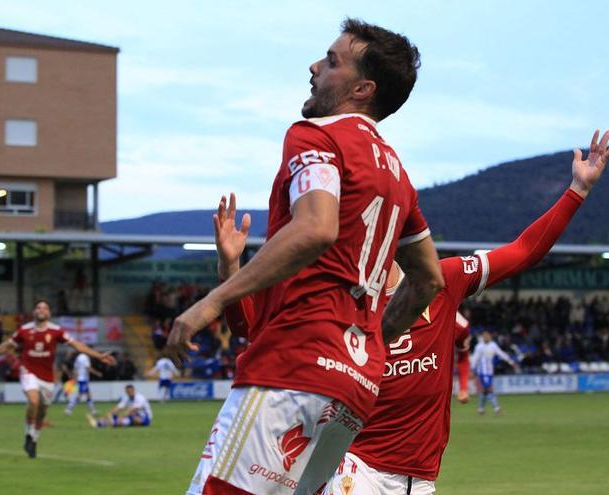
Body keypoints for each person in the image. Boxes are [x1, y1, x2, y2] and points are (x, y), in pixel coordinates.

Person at [179, 19, 445, 495]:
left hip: (294, 366)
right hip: (353, 388)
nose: (315, 66)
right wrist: (369, 344)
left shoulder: (316, 135)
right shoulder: (399, 176)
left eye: (331, 61)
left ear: (362, 88)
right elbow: (428, 280)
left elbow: (316, 227)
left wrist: (212, 301)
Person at [278, 130, 605, 494]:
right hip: (357, 471)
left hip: (420, 479)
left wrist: (578, 190)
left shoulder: (442, 280)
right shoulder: (342, 303)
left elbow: (524, 250)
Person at [0, 299, 116, 459]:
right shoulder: (24, 330)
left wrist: (99, 355)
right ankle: (28, 434)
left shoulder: (56, 331)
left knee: (42, 412)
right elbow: (6, 345)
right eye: (38, 307)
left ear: (49, 313)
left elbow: (77, 345)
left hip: (47, 377)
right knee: (33, 401)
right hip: (28, 371)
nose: (41, 310)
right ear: (34, 312)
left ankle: (34, 439)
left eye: (45, 308)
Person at [471, 330, 520, 415]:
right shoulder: (479, 347)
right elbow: (474, 358)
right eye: (484, 336)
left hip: (489, 371)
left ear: (490, 337)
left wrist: (511, 362)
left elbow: (501, 354)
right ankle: (497, 409)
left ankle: (481, 409)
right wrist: (472, 369)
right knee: (489, 389)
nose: (486, 337)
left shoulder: (493, 345)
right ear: (483, 337)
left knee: (485, 391)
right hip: (483, 372)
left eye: (488, 336)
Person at [86, 384, 153, 428]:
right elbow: (119, 408)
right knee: (120, 420)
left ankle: (102, 423)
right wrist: (109, 413)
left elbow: (133, 409)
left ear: (133, 390)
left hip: (145, 418)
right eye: (127, 392)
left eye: (130, 391)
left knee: (130, 419)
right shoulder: (126, 397)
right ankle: (98, 423)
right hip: (132, 416)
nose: (128, 393)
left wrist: (123, 416)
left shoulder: (140, 397)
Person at [64, 351, 102, 415]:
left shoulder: (78, 358)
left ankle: (93, 410)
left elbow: (75, 369)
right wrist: (97, 373)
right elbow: (88, 367)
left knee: (88, 394)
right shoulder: (85, 357)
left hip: (80, 378)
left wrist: (75, 378)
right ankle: (68, 409)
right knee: (80, 395)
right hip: (83, 379)